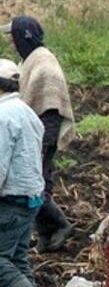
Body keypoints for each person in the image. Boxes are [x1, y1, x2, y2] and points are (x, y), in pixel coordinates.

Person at [10, 16, 75, 252]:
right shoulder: (33, 60)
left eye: (14, 37)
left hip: (43, 134)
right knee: (40, 183)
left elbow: (51, 109)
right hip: (36, 133)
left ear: (23, 38)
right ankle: (47, 236)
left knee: (33, 184)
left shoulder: (45, 66)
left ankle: (60, 226)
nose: (12, 43)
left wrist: (42, 145)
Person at [0, 74, 46, 287]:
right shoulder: (26, 111)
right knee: (17, 256)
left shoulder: (3, 116)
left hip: (11, 199)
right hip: (31, 196)